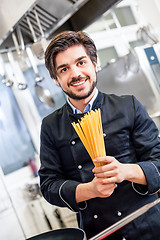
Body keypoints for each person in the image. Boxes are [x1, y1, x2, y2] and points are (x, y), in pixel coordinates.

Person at [38, 31, 160, 240]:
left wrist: (125, 171)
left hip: (148, 227)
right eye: (64, 69)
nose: (76, 73)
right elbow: (49, 185)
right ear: (56, 80)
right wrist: (90, 190)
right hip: (100, 234)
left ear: (95, 64)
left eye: (81, 62)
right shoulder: (50, 126)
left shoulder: (128, 106)